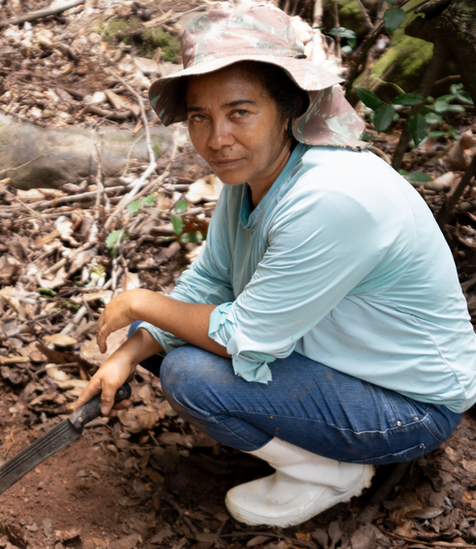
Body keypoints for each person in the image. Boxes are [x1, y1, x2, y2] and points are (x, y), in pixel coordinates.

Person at [75, 4, 476, 528]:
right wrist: (130, 351)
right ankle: (311, 442)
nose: (217, 138)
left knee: (191, 373)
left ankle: (333, 473)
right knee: (165, 340)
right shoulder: (251, 178)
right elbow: (211, 281)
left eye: (240, 112)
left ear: (289, 109)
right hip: (340, 361)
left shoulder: (331, 196)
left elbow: (247, 338)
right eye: (201, 117)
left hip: (410, 406)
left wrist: (137, 303)